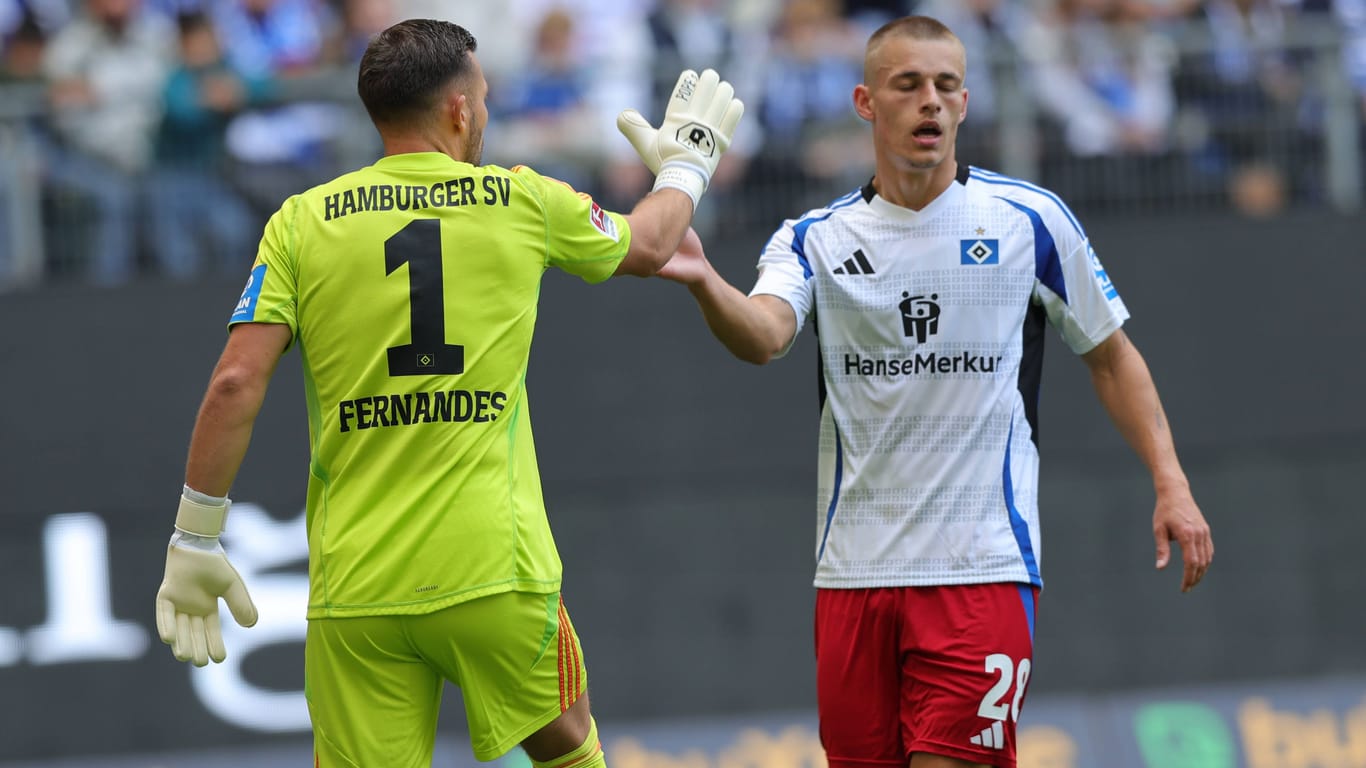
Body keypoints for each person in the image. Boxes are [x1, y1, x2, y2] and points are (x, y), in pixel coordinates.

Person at [153, 18, 742, 768]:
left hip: (358, 584)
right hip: (495, 568)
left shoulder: (299, 223)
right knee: (566, 745)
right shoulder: (521, 200)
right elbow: (654, 243)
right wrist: (687, 165)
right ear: (460, 111)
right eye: (485, 98)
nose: (486, 114)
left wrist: (194, 535)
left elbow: (236, 381)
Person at [655, 15, 1213, 768]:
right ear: (864, 101)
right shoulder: (813, 236)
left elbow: (1111, 356)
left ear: (966, 102)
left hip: (980, 569)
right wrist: (702, 279)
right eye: (908, 85)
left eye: (946, 86)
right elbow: (764, 335)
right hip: (852, 574)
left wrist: (1170, 481)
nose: (930, 102)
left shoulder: (1030, 220)